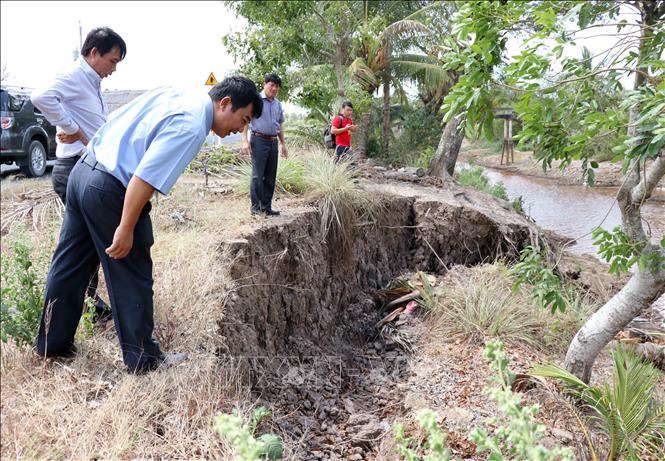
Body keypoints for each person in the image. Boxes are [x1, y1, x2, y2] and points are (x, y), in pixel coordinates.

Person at [35, 76, 263, 373]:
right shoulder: (192, 125)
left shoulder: (179, 93)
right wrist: (126, 226)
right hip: (110, 188)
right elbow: (143, 178)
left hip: (83, 173)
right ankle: (143, 358)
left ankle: (52, 346)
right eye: (243, 119)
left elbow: (116, 120)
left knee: (69, 265)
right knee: (132, 271)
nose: (240, 129)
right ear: (225, 103)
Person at [31, 26, 127, 324]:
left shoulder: (91, 80)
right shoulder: (74, 75)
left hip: (84, 168)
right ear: (94, 53)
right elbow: (41, 96)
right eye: (112, 61)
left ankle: (85, 306)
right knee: (83, 246)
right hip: (74, 169)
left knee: (83, 244)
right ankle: (81, 307)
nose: (114, 69)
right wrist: (74, 130)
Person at [241, 73, 288, 216]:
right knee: (257, 175)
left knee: (270, 176)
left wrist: (283, 144)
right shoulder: (256, 101)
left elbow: (279, 125)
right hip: (259, 140)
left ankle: (266, 207)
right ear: (265, 84)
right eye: (271, 85)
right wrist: (244, 140)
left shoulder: (277, 104)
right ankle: (256, 208)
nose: (274, 88)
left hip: (273, 142)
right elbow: (246, 121)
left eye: (277, 86)